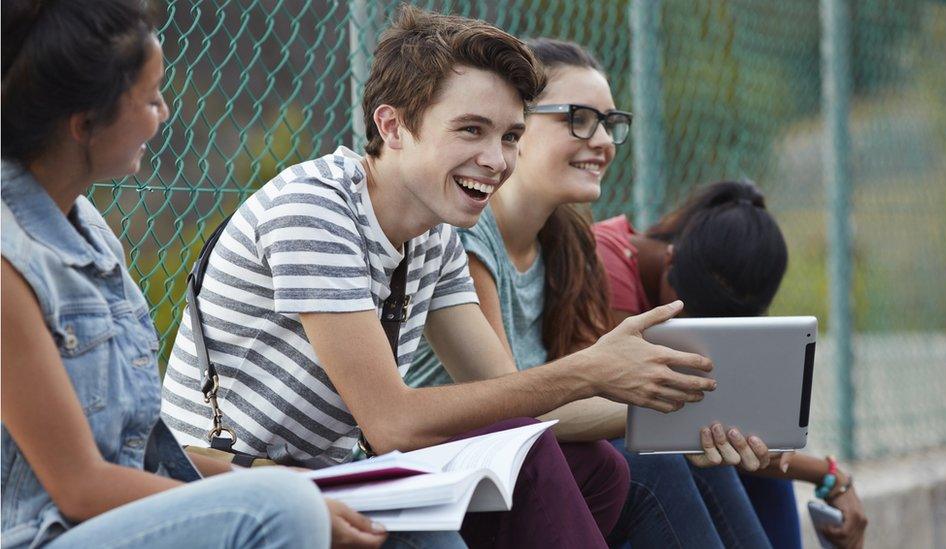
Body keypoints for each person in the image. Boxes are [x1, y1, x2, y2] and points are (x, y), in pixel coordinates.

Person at [159, 7, 720, 548]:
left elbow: (519, 407)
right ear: (393, 125)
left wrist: (685, 411)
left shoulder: (434, 236)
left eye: (508, 137)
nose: (496, 159)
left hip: (323, 484)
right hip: (226, 488)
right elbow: (393, 424)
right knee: (527, 464)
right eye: (471, 130)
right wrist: (589, 370)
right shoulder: (316, 210)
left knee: (598, 469)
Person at [0, 1, 386, 548]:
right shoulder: (8, 260)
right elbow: (80, 488)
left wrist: (269, 480)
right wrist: (269, 499)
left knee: (333, 499)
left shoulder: (86, 228)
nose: (164, 111)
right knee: (285, 513)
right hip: (45, 534)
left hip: (111, 519)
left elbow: (143, 454)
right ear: (85, 123)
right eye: (151, 97)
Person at [404, 38, 780, 548]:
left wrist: (689, 417)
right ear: (518, 123)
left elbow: (576, 396)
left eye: (609, 123)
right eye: (579, 118)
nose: (602, 140)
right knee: (655, 459)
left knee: (705, 453)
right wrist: (676, 414)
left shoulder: (568, 239)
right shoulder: (467, 235)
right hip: (458, 463)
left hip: (535, 461)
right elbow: (514, 405)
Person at [594, 180, 868, 549]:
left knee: (759, 464)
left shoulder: (703, 267)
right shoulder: (610, 266)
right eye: (687, 315)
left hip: (669, 451)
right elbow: (657, 420)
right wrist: (830, 475)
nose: (693, 330)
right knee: (713, 459)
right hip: (616, 461)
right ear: (670, 259)